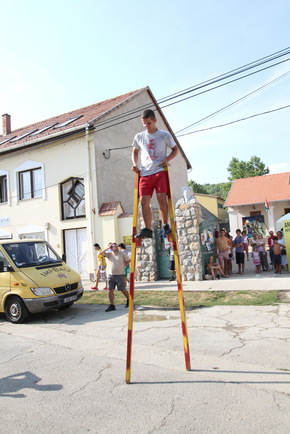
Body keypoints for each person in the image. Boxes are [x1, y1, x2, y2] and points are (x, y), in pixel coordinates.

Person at [131, 109, 178, 239]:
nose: (147, 126)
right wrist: (135, 164)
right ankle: (148, 228)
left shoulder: (164, 135)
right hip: (145, 173)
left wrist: (167, 159)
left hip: (159, 171)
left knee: (161, 197)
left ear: (155, 120)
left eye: (149, 123)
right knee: (143, 201)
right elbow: (135, 152)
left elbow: (175, 150)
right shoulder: (139, 136)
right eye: (144, 123)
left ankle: (165, 224)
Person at [100, 243, 131, 312]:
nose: (116, 247)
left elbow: (129, 260)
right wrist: (108, 248)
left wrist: (125, 265)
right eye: (114, 247)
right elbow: (101, 253)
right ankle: (112, 305)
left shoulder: (122, 253)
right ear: (111, 248)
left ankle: (129, 300)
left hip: (120, 275)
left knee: (123, 289)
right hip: (111, 275)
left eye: (116, 246)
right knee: (110, 290)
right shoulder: (109, 254)